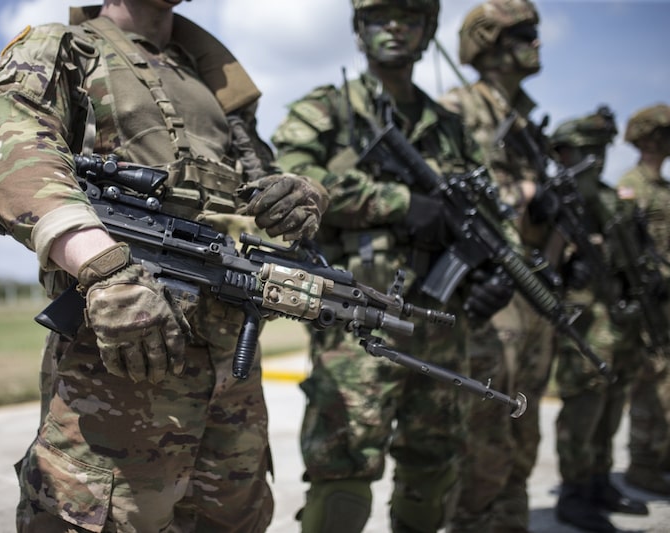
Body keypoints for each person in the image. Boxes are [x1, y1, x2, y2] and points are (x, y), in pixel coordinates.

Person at [0, 1, 327, 531]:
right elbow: (13, 150)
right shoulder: (65, 47)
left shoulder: (212, 76)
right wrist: (104, 267)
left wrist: (299, 193)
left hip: (231, 373)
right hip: (122, 359)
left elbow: (255, 186)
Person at [271, 1, 514, 531]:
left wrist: (500, 273)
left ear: (428, 33)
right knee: (344, 469)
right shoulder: (328, 109)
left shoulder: (449, 127)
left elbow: (490, 212)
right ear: (359, 31)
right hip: (358, 320)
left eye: (411, 17)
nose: (396, 27)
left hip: (442, 324)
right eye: (380, 16)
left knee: (434, 466)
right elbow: (290, 177)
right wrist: (399, 203)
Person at [437, 1, 558, 531]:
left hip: (533, 287)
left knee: (524, 424)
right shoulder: (456, 108)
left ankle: (510, 521)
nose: (536, 43)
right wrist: (526, 192)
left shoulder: (527, 118)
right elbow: (448, 193)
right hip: (490, 286)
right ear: (489, 42)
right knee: (488, 423)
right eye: (524, 33)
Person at [549, 107, 649, 532]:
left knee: (611, 401)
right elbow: (541, 262)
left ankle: (598, 481)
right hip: (581, 322)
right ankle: (574, 493)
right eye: (585, 152)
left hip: (616, 320)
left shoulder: (610, 201)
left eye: (599, 151)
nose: (595, 161)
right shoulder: (556, 203)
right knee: (583, 406)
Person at [616, 103, 670, 497]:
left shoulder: (661, 187)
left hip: (664, 296)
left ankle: (658, 456)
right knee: (648, 383)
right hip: (647, 297)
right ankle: (644, 462)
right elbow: (623, 245)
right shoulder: (631, 184)